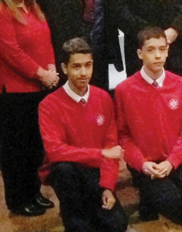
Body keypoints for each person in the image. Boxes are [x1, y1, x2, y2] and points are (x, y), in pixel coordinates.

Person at [0, 0, 59, 216]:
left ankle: (33, 192)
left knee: (34, 146)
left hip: (37, 89)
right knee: (16, 149)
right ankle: (18, 200)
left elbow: (46, 42)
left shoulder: (33, 8)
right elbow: (12, 53)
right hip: (11, 93)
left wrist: (51, 68)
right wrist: (41, 73)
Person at [115, 27, 182, 228]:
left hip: (174, 161)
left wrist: (172, 162)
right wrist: (142, 164)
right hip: (146, 165)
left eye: (162, 49)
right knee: (169, 200)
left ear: (168, 51)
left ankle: (153, 197)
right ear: (140, 53)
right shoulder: (125, 90)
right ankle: (149, 196)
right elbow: (123, 136)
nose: (157, 55)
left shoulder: (180, 84)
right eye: (150, 50)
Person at [38, 38, 128, 232]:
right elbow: (55, 152)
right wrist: (101, 154)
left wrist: (108, 187)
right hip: (67, 172)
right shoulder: (48, 105)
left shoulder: (103, 98)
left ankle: (87, 208)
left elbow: (111, 145)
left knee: (117, 225)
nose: (83, 73)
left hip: (94, 170)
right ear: (64, 68)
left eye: (88, 65)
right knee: (64, 170)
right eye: (76, 67)